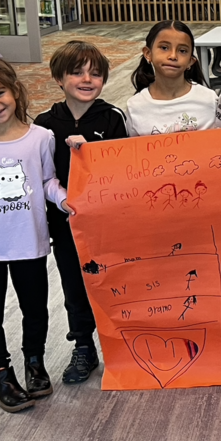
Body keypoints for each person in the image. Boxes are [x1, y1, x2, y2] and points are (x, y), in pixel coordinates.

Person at [33, 41, 127, 385]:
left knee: (113, 284)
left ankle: (121, 345)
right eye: (77, 72)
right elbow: (43, 176)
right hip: (65, 226)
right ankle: (84, 344)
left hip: (108, 226)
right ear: (59, 78)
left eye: (96, 73)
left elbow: (126, 169)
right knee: (74, 287)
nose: (87, 79)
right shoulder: (44, 125)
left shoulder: (112, 118)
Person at [0, 57, 72, 412]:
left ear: (15, 91)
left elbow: (46, 181)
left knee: (34, 308)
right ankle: (0, 373)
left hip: (29, 241)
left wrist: (65, 198)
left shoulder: (41, 138)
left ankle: (34, 362)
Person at [125, 21, 214, 136]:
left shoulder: (210, 100)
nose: (173, 56)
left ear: (190, 61)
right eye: (164, 47)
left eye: (182, 51)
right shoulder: (135, 107)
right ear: (148, 53)